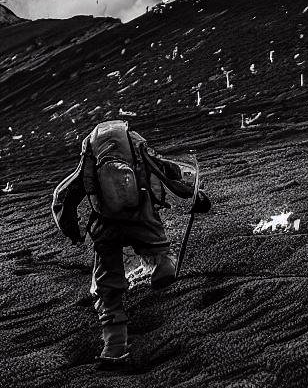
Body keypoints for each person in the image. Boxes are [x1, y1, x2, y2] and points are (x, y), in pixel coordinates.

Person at [52, 119, 211, 368]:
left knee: (109, 290)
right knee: (160, 253)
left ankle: (114, 349)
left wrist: (73, 231)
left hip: (106, 228)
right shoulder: (135, 145)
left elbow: (66, 195)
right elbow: (166, 171)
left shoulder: (91, 154)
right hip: (143, 220)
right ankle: (162, 271)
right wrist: (196, 197)